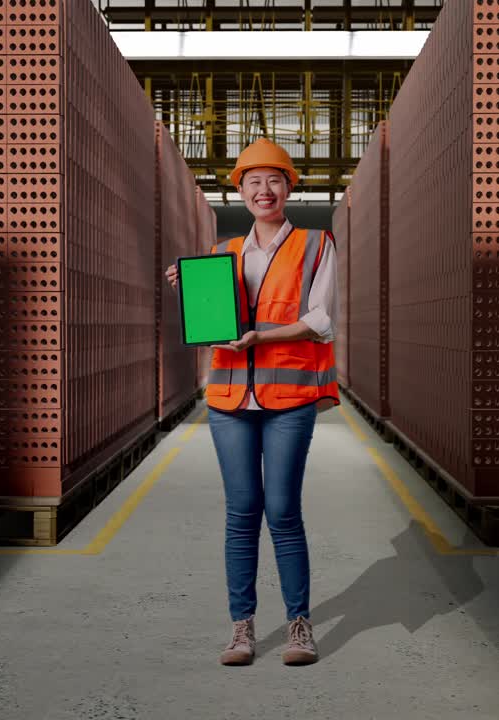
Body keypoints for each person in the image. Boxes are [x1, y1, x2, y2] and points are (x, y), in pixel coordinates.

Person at [165, 137, 340, 666]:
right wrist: (187, 289)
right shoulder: (222, 254)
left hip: (287, 398)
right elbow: (215, 318)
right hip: (229, 400)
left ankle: (298, 627)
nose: (264, 190)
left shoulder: (316, 245)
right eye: (253, 182)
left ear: (289, 187)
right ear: (240, 191)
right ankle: (242, 628)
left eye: (274, 180)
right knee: (242, 513)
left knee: (283, 512)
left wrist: (262, 339)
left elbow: (320, 319)